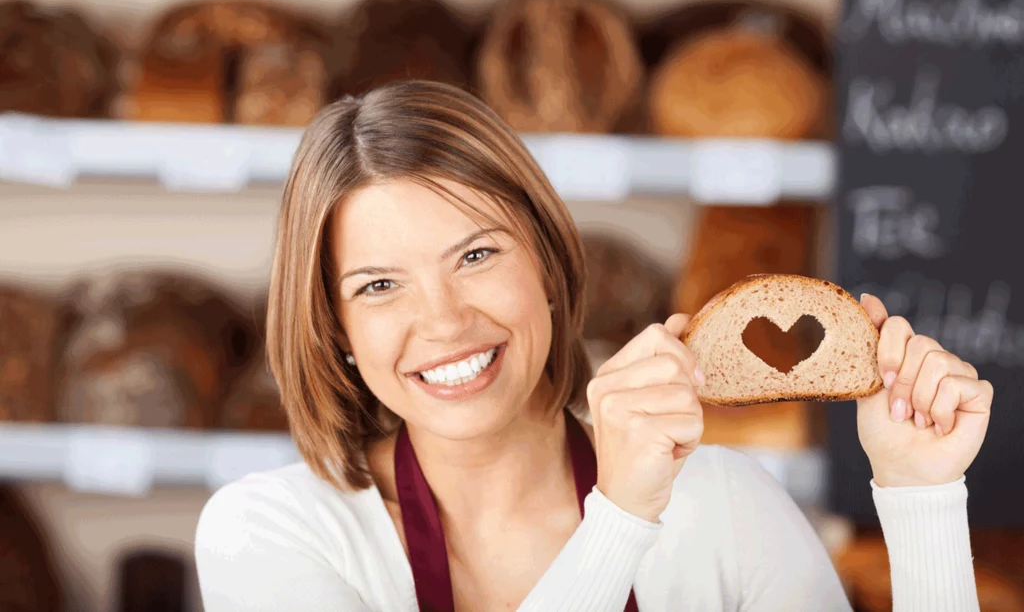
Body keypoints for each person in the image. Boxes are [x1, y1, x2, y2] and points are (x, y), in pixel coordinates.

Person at [194, 80, 992, 611]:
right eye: (378, 286)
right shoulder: (270, 531)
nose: (441, 323)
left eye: (476, 256)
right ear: (334, 329)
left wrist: (919, 495)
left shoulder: (724, 506)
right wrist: (618, 518)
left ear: (546, 262)